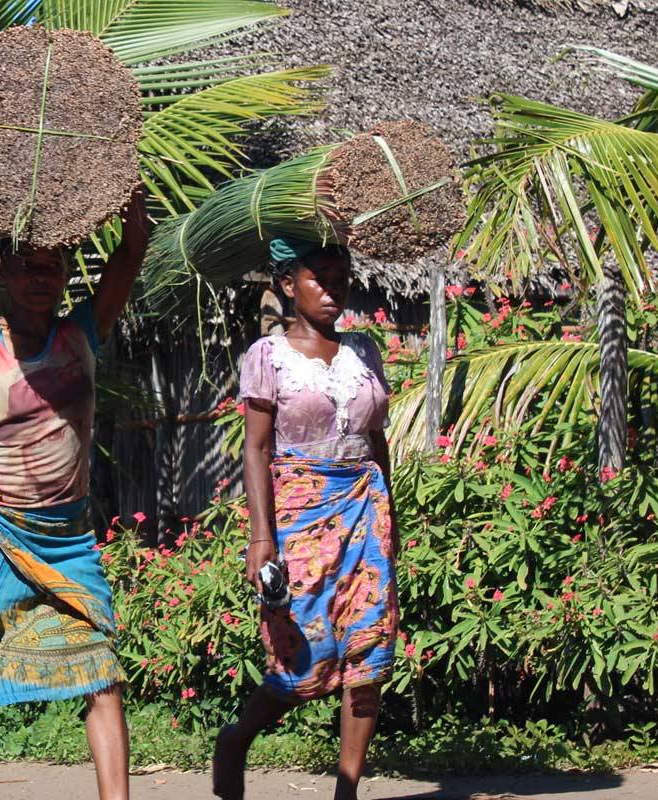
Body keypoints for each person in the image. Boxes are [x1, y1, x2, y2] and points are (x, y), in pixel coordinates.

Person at [0, 191, 149, 800]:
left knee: (102, 674)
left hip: (70, 542)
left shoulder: (83, 332)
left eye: (52, 266)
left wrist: (126, 197)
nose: (40, 278)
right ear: (2, 267)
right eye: (27, 264)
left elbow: (130, 257)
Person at [212, 238, 398, 800]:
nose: (334, 288)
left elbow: (376, 439)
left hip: (367, 504)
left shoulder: (363, 350)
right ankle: (237, 738)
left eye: (342, 276)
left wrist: (393, 522)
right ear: (289, 285)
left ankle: (347, 793)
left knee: (370, 650)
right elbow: (256, 448)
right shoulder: (267, 356)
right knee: (303, 657)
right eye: (321, 277)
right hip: (300, 515)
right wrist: (262, 538)